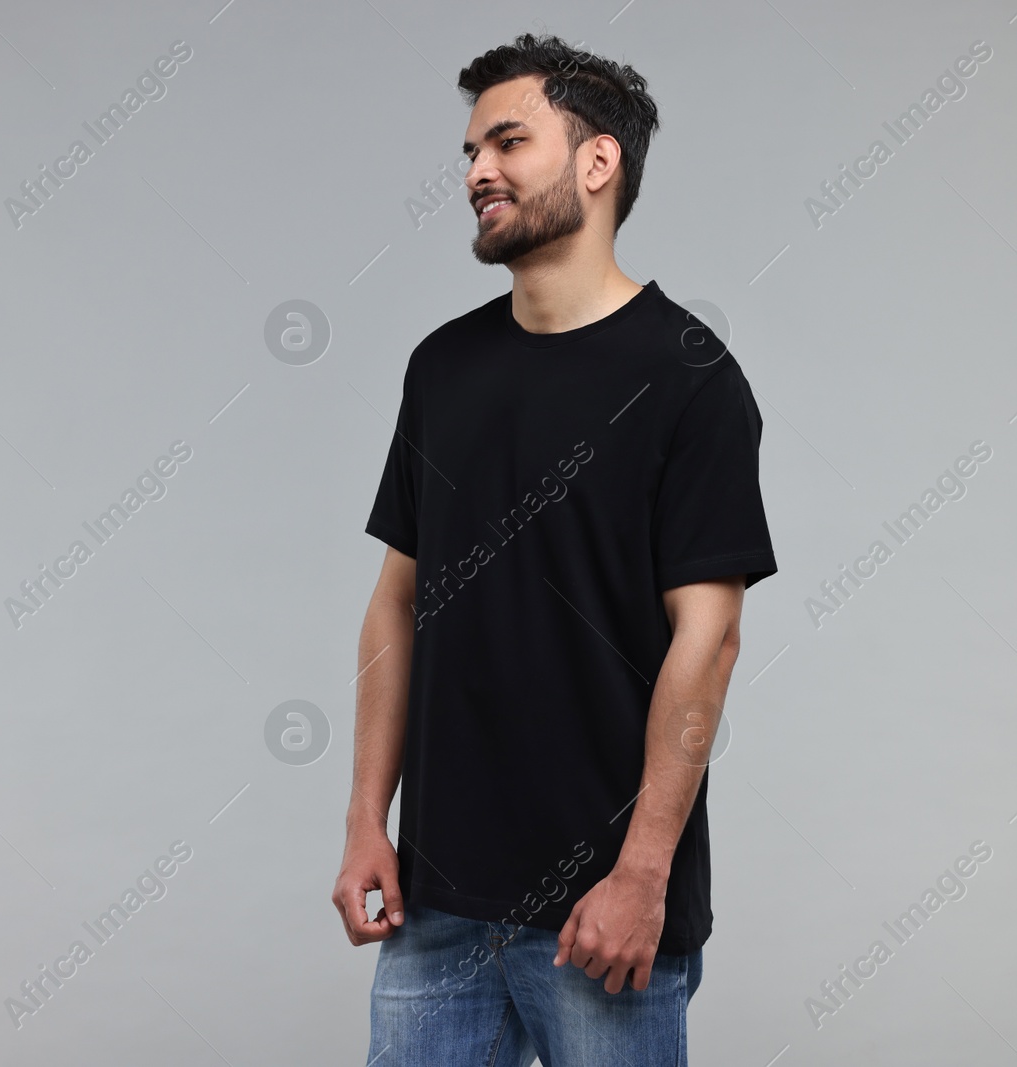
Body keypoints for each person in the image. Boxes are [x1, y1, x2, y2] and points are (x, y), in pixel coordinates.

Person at [332, 31, 778, 1067]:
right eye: (469, 150)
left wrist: (643, 875)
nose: (476, 170)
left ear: (596, 161)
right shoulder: (442, 369)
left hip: (601, 911)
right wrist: (367, 820)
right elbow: (395, 601)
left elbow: (706, 640)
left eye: (507, 140)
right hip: (436, 902)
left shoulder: (689, 379)